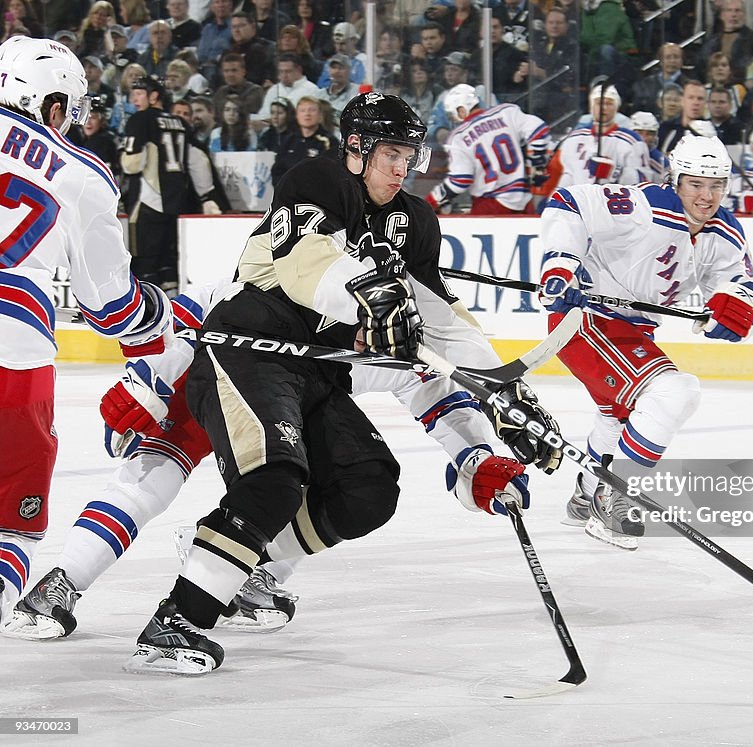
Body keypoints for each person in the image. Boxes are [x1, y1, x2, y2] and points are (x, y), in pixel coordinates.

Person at [123, 93, 561, 674]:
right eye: (390, 154)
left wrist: (504, 393)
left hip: (317, 370)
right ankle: (176, 621)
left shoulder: (415, 221)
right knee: (276, 478)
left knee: (368, 488)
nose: (402, 168)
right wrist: (366, 291)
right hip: (249, 349)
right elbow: (305, 264)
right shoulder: (317, 180)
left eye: (410, 154)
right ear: (355, 149)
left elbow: (445, 325)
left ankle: (238, 557)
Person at [2, 279, 548, 639]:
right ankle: (61, 583)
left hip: (293, 389)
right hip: (220, 366)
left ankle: (240, 569)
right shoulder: (325, 266)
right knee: (154, 479)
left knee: (336, 480)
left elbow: (433, 391)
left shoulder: (417, 328)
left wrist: (475, 457)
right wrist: (146, 380)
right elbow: (211, 300)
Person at [0, 36, 172, 622]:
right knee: (11, 527)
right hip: (14, 359)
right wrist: (156, 318)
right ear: (53, 105)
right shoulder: (82, 174)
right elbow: (113, 312)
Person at [538, 135, 753, 550]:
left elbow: (740, 284)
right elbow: (569, 203)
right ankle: (616, 497)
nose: (706, 195)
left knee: (620, 418)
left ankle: (586, 495)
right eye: (696, 184)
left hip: (632, 330)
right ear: (676, 180)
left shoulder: (725, 231)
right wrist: (561, 265)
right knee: (676, 392)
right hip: (585, 319)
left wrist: (736, 311)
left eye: (716, 185)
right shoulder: (643, 207)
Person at [122, 77, 222, 295]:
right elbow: (198, 161)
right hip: (176, 205)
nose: (134, 99)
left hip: (148, 204)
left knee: (145, 265)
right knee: (169, 266)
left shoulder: (140, 120)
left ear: (154, 95)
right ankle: (173, 313)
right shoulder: (181, 123)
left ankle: (148, 317)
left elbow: (132, 164)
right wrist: (207, 197)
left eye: (139, 94)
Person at [426, 85, 550, 215]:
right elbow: (538, 129)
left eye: (453, 114)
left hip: (490, 204)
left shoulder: (459, 136)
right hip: (523, 200)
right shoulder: (507, 112)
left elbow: (460, 180)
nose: (454, 119)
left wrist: (432, 200)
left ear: (462, 110)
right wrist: (537, 165)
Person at [547, 83, 647, 191]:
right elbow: (567, 174)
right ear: (591, 106)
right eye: (599, 103)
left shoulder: (632, 141)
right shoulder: (574, 138)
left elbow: (644, 180)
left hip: (614, 203)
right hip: (580, 202)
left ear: (616, 108)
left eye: (609, 103)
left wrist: (616, 172)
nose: (603, 108)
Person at [629, 110, 670, 183]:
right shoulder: (620, 151)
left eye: (649, 134)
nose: (643, 138)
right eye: (639, 132)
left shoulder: (660, 160)